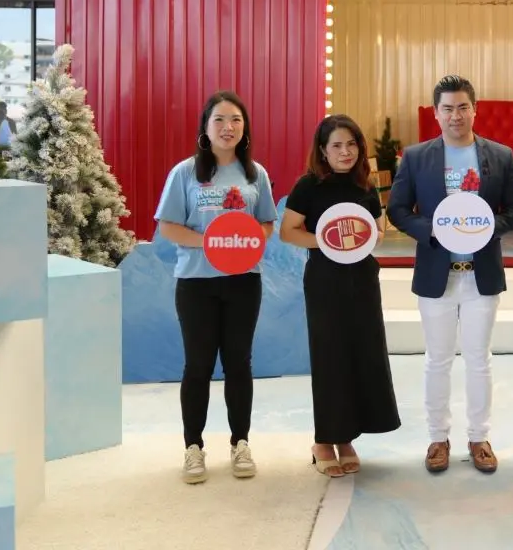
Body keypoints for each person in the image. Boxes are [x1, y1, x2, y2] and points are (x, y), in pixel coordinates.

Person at [387, 75, 513, 474]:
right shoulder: (416, 158)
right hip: (436, 274)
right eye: (447, 108)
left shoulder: (499, 155)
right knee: (437, 359)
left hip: (480, 274)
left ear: (474, 109)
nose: (455, 115)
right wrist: (432, 229)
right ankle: (437, 438)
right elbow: (398, 210)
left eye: (462, 107)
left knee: (480, 359)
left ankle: (479, 437)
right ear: (436, 113)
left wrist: (485, 228)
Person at [155, 91, 278, 484]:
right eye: (220, 120)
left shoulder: (255, 173)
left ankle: (240, 442)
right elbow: (168, 226)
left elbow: (266, 224)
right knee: (198, 365)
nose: (228, 128)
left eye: (236, 120)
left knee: (239, 363)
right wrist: (212, 243)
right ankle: (194, 447)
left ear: (245, 129)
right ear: (205, 129)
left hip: (244, 282)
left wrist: (243, 239)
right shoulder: (185, 173)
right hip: (196, 283)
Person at [280, 114, 401, 477]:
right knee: (330, 357)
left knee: (363, 356)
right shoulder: (308, 186)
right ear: (323, 150)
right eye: (337, 145)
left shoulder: (366, 185)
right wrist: (328, 242)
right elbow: (288, 232)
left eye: (351, 145)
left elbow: (377, 230)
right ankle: (323, 440)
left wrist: (370, 237)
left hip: (363, 280)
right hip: (325, 280)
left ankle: (347, 438)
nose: (345, 152)